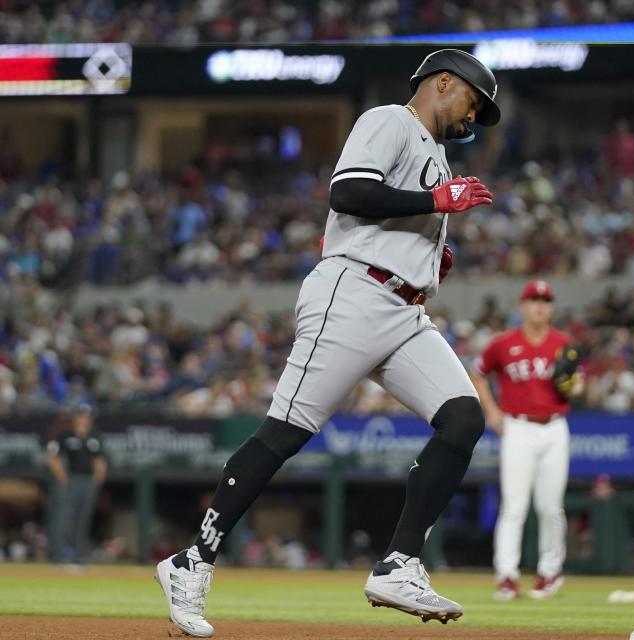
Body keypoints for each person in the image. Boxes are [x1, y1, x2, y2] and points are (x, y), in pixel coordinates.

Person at [155, 48, 500, 636]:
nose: (474, 118)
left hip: (404, 308)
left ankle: (398, 563)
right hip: (354, 292)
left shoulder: (437, 156)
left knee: (465, 417)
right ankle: (192, 561)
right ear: (444, 83)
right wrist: (435, 205)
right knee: (285, 432)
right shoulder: (390, 120)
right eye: (473, 103)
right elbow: (349, 194)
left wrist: (430, 252)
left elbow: (398, 214)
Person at [470, 280, 584, 601]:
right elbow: (477, 372)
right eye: (534, 299)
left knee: (550, 507)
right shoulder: (504, 343)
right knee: (514, 506)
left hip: (554, 426)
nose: (540, 306)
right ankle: (506, 575)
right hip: (517, 427)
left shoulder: (564, 343)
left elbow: (577, 387)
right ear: (522, 305)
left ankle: (550, 572)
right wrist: (491, 411)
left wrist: (572, 385)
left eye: (546, 300)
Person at [46, 403, 107, 565]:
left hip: (88, 481)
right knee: (64, 518)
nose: (85, 420)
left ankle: (77, 557)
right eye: (81, 416)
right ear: (75, 417)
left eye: (88, 417)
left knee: (83, 519)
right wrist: (62, 477)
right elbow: (52, 457)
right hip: (71, 479)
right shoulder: (65, 435)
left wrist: (97, 480)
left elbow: (99, 459)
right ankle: (58, 556)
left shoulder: (94, 435)